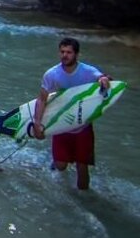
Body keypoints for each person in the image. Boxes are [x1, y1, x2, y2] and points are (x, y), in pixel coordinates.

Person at [32, 37, 112, 190]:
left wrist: (104, 79)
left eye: (69, 52)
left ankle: (84, 201)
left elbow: (102, 77)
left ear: (76, 54)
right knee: (61, 166)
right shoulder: (52, 74)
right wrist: (37, 123)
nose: (64, 55)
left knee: (82, 168)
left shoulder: (87, 71)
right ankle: (57, 163)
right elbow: (42, 99)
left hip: (83, 127)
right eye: (62, 52)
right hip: (61, 125)